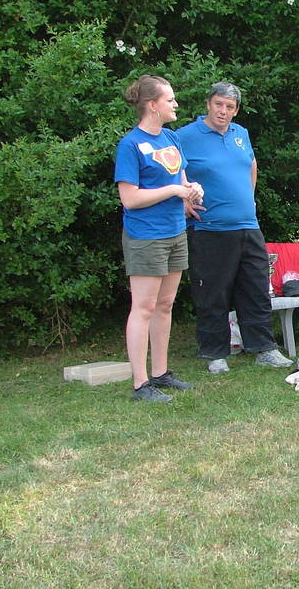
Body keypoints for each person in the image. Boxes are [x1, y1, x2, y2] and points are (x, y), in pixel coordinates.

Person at [177, 81, 292, 374]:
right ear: (208, 104)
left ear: (236, 110)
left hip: (248, 225)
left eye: (229, 107)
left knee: (256, 288)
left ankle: (264, 349)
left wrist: (249, 198)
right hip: (209, 227)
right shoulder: (185, 136)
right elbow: (169, 169)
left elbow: (251, 165)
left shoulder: (241, 133)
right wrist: (182, 198)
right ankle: (215, 353)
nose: (223, 111)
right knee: (213, 293)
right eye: (218, 104)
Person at [115, 75, 202, 402]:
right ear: (152, 105)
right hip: (145, 236)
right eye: (170, 99)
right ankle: (140, 384)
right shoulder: (130, 145)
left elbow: (182, 180)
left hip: (175, 231)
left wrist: (192, 190)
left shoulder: (170, 137)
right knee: (144, 307)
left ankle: (161, 373)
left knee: (165, 305)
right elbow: (130, 199)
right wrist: (173, 191)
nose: (175, 104)